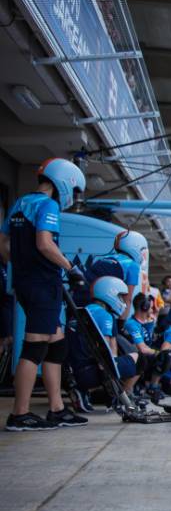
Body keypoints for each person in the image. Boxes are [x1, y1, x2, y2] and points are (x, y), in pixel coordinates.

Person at [0, 157, 89, 430]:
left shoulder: (20, 202)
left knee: (56, 344)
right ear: (65, 181)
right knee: (35, 346)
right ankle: (19, 414)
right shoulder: (47, 204)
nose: (72, 198)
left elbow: (3, 243)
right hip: (43, 284)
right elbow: (45, 243)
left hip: (28, 283)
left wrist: (21, 266)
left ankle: (57, 409)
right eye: (74, 192)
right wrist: (70, 267)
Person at [85, 275, 141, 397]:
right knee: (141, 359)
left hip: (79, 369)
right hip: (94, 373)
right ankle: (123, 395)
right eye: (120, 296)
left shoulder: (85, 310)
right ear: (110, 293)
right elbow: (105, 349)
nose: (121, 300)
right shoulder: (105, 315)